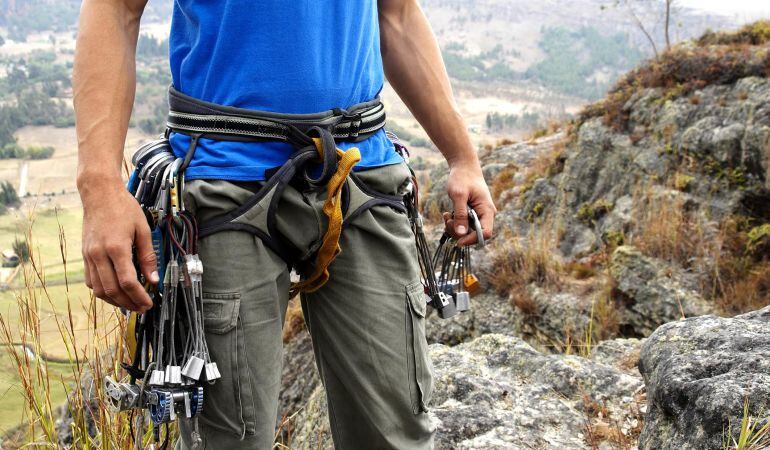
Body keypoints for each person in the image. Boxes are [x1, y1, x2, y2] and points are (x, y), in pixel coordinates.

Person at [73, 0, 495, 448]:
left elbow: (397, 14)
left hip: (358, 171)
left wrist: (463, 157)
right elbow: (115, 10)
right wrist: (98, 187)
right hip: (225, 180)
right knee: (229, 440)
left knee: (396, 433)